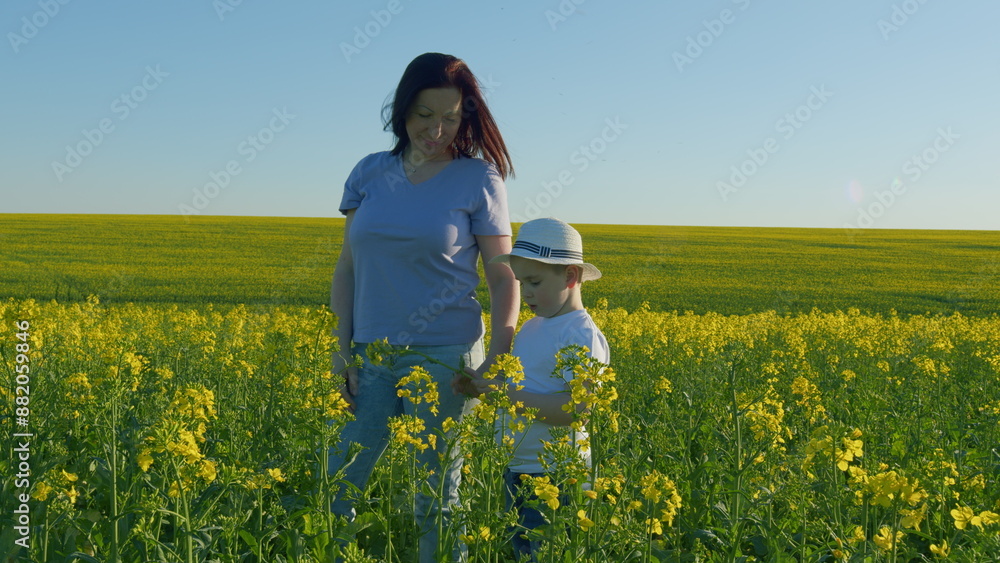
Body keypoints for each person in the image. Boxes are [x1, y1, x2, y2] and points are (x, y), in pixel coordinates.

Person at [328, 52, 519, 562]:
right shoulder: (369, 173)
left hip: (445, 357)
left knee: (435, 498)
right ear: (402, 111)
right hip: (369, 355)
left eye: (450, 118)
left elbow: (503, 277)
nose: (436, 131)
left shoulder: (479, 179)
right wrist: (341, 352)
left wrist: (499, 356)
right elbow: (347, 268)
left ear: (466, 117)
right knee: (337, 485)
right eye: (424, 115)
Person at [453, 217, 610, 560]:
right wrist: (482, 386)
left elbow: (578, 410)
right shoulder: (532, 327)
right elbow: (521, 389)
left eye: (535, 282)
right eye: (521, 282)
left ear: (570, 276)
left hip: (558, 477)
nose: (526, 293)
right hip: (519, 470)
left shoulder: (580, 335)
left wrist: (504, 396)